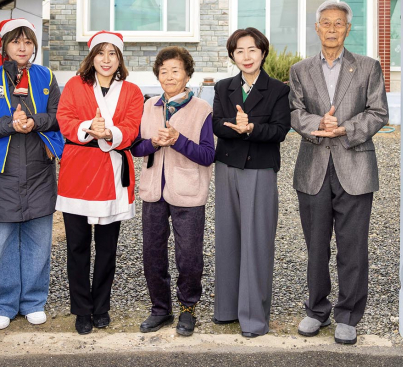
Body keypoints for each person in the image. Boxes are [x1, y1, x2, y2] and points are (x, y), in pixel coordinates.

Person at [289, 0, 388, 346]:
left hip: (355, 165)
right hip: (313, 167)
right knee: (316, 246)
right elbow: (295, 112)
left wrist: (344, 128)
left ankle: (348, 315)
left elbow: (378, 112)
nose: (332, 29)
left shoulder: (367, 67)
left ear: (348, 28)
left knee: (353, 246)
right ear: (316, 28)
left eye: (339, 24)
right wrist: (320, 124)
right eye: (325, 23)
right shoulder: (300, 70)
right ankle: (316, 310)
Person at [0, 18, 64, 330]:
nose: (22, 47)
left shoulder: (47, 77)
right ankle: (3, 303)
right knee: (1, 241)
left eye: (27, 41)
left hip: (39, 170)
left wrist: (34, 122)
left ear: (34, 46)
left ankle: (34, 300)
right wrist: (10, 124)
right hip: (2, 172)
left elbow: (59, 117)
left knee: (39, 239)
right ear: (4, 46)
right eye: (15, 41)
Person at [56, 31, 144, 335]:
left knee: (107, 248)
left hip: (111, 172)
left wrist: (110, 134)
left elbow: (133, 127)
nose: (106, 60)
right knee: (77, 246)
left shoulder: (131, 91)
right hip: (78, 171)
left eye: (112, 54)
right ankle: (82, 309)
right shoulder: (74, 85)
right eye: (100, 53)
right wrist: (87, 127)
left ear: (119, 59)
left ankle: (101, 305)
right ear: (91, 57)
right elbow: (64, 119)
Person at [212, 28, 291, 338]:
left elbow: (281, 130)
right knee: (228, 238)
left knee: (256, 241)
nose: (246, 56)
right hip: (227, 166)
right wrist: (236, 127)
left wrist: (252, 128)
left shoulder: (277, 90)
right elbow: (217, 123)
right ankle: (227, 309)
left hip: (259, 168)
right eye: (239, 51)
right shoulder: (223, 87)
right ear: (233, 55)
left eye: (252, 50)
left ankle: (254, 318)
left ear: (263, 53)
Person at [131, 47, 215, 337]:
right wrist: (153, 142)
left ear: (188, 74)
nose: (168, 76)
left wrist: (177, 140)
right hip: (154, 190)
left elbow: (207, 155)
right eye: (163, 71)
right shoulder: (149, 106)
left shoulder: (202, 109)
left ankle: (188, 309)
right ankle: (160, 309)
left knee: (189, 256)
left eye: (175, 70)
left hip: (189, 191)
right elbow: (135, 148)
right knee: (152, 253)